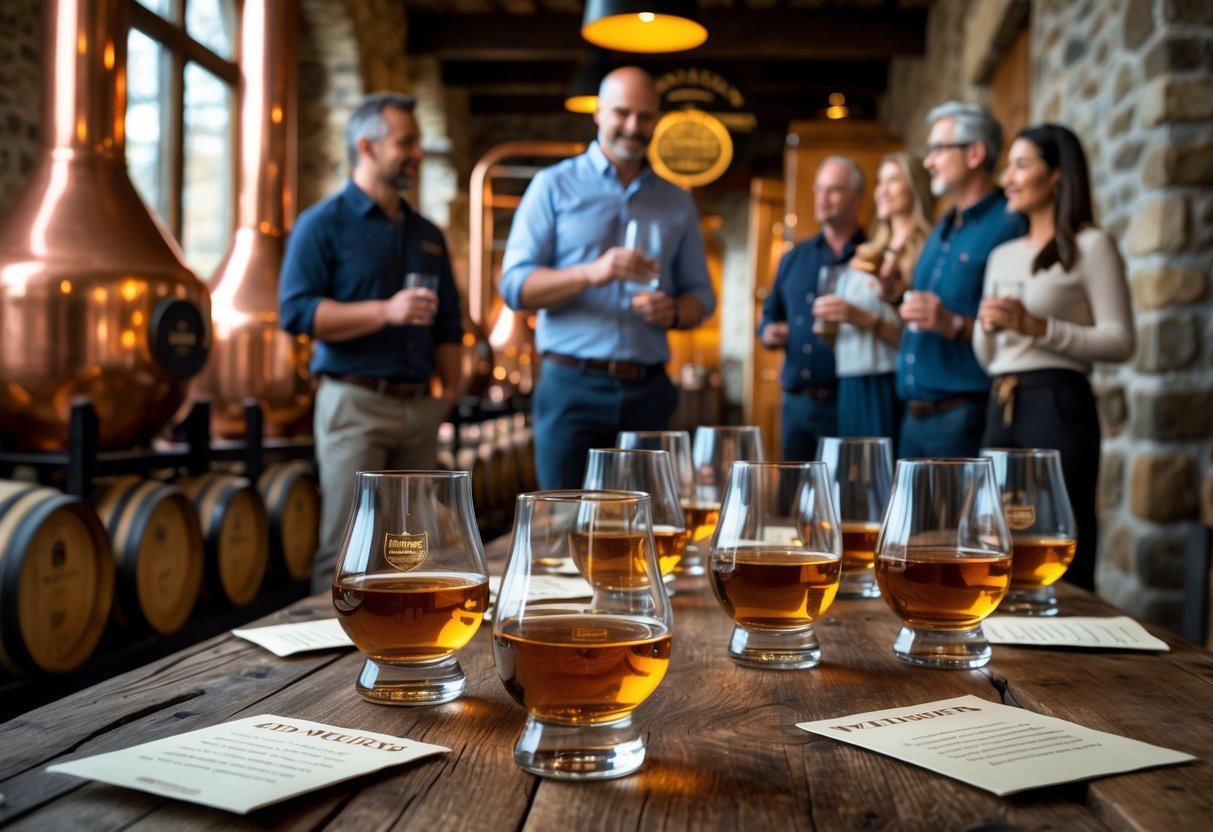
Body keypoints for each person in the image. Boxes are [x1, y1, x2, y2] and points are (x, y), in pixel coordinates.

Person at [499, 67, 716, 490]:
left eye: (646, 117)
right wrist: (593, 272)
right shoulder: (552, 186)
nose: (634, 127)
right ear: (598, 112)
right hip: (571, 390)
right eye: (622, 113)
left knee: (647, 538)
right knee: (563, 531)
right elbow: (514, 287)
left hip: (648, 391)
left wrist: (674, 311)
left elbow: (702, 297)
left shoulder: (677, 201)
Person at [279, 92, 463, 592]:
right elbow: (296, 313)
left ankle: (406, 654)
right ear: (366, 145)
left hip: (419, 406)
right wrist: (387, 311)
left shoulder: (427, 233)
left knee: (414, 552)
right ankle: (327, 666)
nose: (417, 154)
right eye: (407, 142)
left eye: (418, 143)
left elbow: (449, 322)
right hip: (353, 405)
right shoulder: (322, 224)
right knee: (346, 548)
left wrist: (448, 392)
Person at [975, 124, 1134, 591]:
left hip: (1059, 402)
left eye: (1022, 165)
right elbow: (989, 358)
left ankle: (1069, 647)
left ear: (1058, 177)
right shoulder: (1001, 255)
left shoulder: (1092, 246)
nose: (1009, 176)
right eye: (1009, 165)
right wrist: (986, 327)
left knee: (1059, 533)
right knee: (994, 534)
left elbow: (1121, 341)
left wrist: (1040, 328)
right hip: (1000, 398)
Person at [894, 101, 1027, 458]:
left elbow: (1018, 327)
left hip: (963, 416)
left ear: (974, 154)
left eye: (938, 149)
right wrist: (896, 293)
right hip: (912, 417)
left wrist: (953, 323)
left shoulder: (1010, 223)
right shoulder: (942, 226)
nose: (929, 160)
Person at [812, 152, 934, 446]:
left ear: (915, 187)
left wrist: (859, 318)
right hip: (850, 380)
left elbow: (917, 339)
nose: (882, 189)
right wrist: (831, 328)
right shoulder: (867, 250)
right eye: (880, 181)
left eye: (893, 179)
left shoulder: (926, 250)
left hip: (887, 381)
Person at [759, 156, 865, 461]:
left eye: (834, 190)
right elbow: (768, 316)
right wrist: (769, 331)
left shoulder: (871, 256)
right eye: (819, 189)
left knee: (842, 502)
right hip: (796, 405)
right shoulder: (794, 257)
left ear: (856, 197)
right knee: (790, 500)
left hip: (849, 402)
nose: (823, 197)